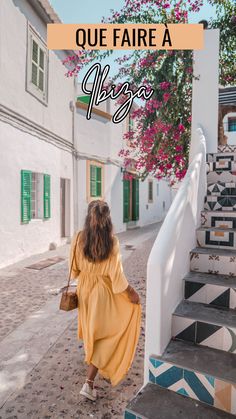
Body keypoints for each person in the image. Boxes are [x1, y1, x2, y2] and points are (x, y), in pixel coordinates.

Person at [69, 199, 141, 401]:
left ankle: (91, 370)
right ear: (107, 219)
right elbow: (117, 277)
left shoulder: (78, 238)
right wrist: (132, 293)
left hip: (85, 290)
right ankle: (89, 383)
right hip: (104, 292)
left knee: (94, 330)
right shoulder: (112, 242)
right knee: (109, 335)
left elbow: (73, 270)